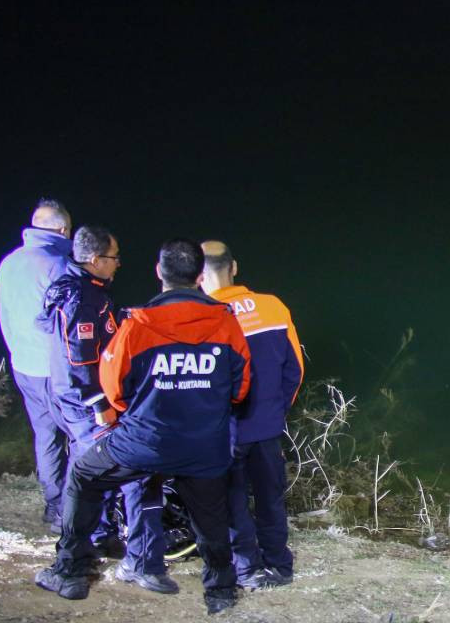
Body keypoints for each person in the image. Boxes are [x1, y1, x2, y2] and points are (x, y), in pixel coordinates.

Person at [35, 238, 251, 615]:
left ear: (158, 273)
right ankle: (220, 591)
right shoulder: (227, 323)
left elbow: (113, 389)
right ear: (200, 277)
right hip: (204, 446)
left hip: (144, 442)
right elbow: (240, 388)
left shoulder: (136, 325)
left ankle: (69, 571)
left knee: (84, 475)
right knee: (211, 516)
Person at [38, 226, 173, 591]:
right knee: (124, 472)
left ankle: (99, 543)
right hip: (88, 406)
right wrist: (100, 406)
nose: (119, 263)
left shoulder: (90, 292)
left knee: (92, 476)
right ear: (96, 260)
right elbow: (79, 361)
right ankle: (86, 566)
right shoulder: (80, 298)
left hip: (89, 402)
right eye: (114, 257)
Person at [201, 240, 304, 589]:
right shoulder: (273, 307)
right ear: (234, 267)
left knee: (232, 502)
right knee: (270, 499)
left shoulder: (201, 316)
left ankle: (248, 570)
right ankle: (279, 565)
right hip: (266, 426)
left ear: (199, 276)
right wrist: (276, 410)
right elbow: (295, 369)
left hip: (222, 432)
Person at [0, 199, 72, 531]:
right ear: (63, 230)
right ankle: (73, 510)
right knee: (80, 437)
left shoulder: (9, 264)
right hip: (56, 369)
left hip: (23, 364)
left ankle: (53, 506)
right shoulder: (58, 265)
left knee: (46, 437)